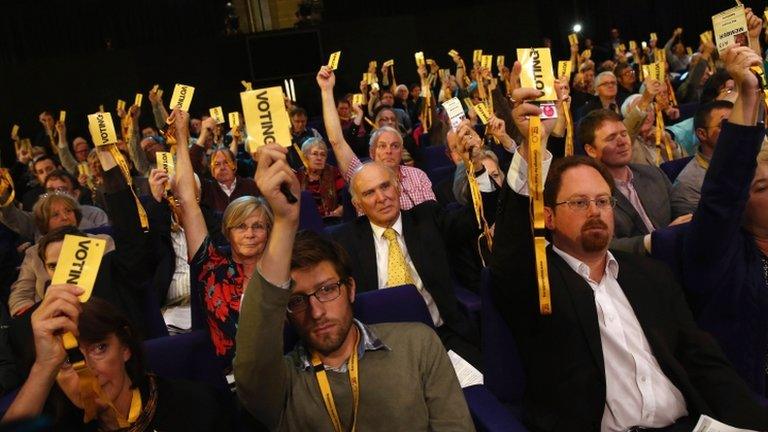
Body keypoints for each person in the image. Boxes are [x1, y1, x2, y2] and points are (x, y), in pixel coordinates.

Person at [491, 81, 767, 431]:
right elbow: (512, 248)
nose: (595, 211)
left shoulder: (649, 275)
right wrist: (534, 149)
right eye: (579, 202)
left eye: (603, 201)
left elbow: (703, 362)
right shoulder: (538, 284)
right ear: (549, 216)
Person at [234, 143, 475, 431]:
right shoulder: (285, 384)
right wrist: (285, 223)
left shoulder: (419, 345)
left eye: (326, 290)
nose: (317, 311)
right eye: (298, 300)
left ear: (350, 289)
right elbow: (253, 363)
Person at [330, 158, 488, 365]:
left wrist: (477, 168)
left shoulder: (428, 218)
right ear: (357, 204)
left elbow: (478, 218)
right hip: (381, 350)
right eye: (369, 193)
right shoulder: (343, 241)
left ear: (397, 187)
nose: (381, 198)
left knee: (478, 391)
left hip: (441, 336)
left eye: (385, 186)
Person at [675, 45, 768, 396]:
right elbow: (722, 194)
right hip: (751, 396)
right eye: (762, 187)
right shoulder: (717, 252)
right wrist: (746, 93)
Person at [1, 294, 229, 431]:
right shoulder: (60, 425)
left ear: (125, 348)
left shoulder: (196, 407)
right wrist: (44, 366)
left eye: (99, 348)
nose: (87, 372)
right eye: (68, 361)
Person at [169, 109, 273, 362]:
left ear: (269, 231)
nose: (250, 234)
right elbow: (187, 200)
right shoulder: (212, 268)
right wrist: (182, 138)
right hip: (229, 378)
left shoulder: (282, 268)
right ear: (227, 231)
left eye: (258, 226)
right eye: (241, 226)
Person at [317, 66, 436, 211]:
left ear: (401, 151)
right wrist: (326, 90)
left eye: (395, 146)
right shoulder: (361, 175)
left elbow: (433, 216)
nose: (389, 151)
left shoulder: (418, 176)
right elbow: (337, 141)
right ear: (372, 152)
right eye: (382, 146)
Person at [580, 108, 691, 255]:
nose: (622, 142)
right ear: (591, 150)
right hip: (633, 269)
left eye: (624, 134)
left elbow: (684, 209)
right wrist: (657, 240)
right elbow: (606, 245)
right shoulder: (588, 192)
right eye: (611, 138)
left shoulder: (653, 173)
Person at [670, 100, 733, 217]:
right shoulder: (688, 186)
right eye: (725, 125)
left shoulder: (752, 158)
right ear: (702, 134)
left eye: (738, 123)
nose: (735, 130)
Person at [296, 137, 345, 223]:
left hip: (332, 221)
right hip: (307, 224)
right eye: (315, 154)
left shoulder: (334, 172)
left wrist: (338, 211)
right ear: (305, 157)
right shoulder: (297, 176)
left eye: (323, 154)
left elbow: (345, 200)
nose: (319, 158)